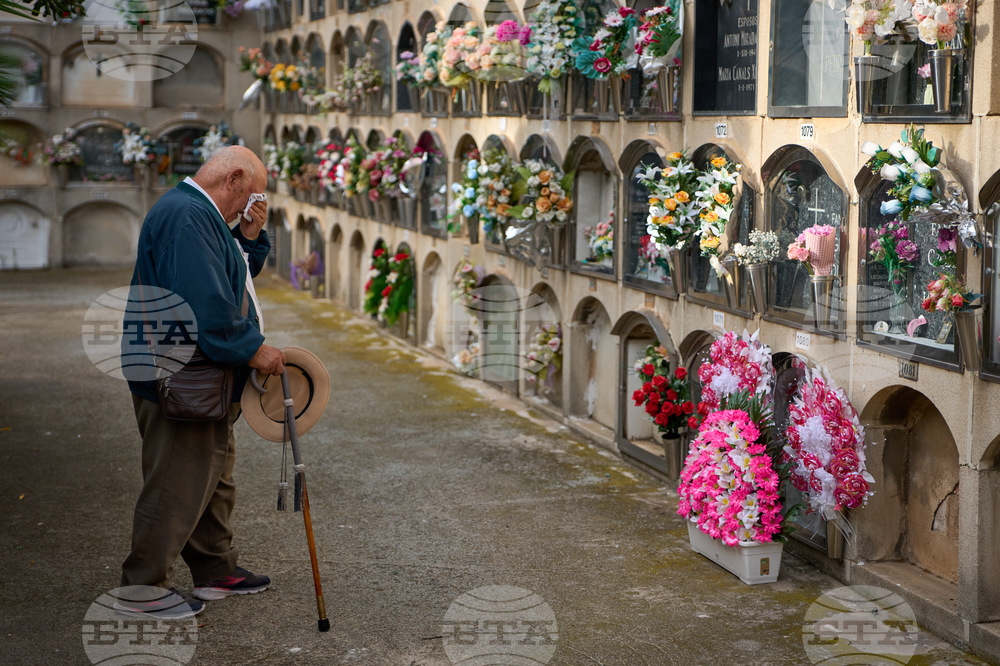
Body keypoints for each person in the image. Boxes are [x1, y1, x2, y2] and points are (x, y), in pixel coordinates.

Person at [118, 146, 287, 617]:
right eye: (251, 198)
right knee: (176, 481)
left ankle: (215, 569)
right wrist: (254, 350)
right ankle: (141, 588)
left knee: (212, 475)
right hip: (179, 374)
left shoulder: (203, 215)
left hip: (200, 374)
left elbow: (233, 279)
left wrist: (250, 236)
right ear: (232, 178)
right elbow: (205, 307)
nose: (249, 208)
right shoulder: (188, 218)